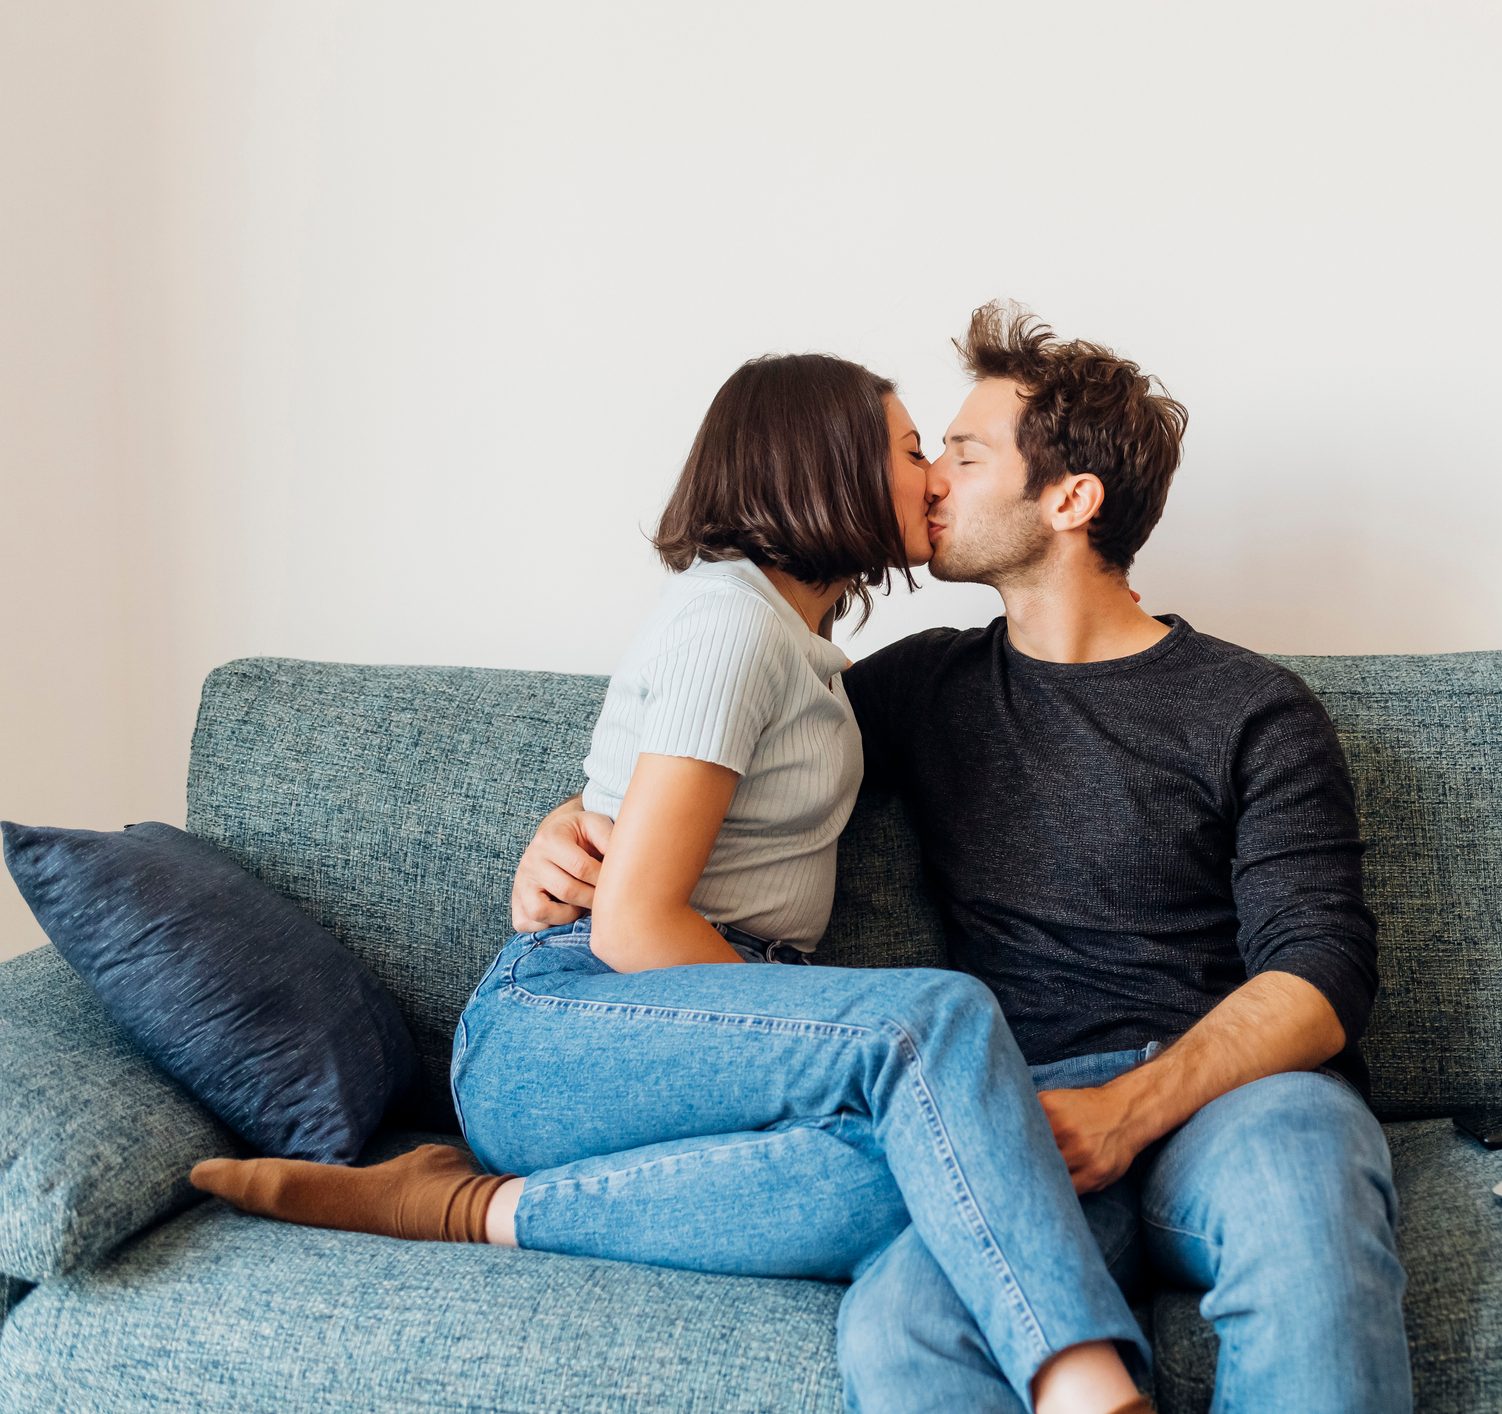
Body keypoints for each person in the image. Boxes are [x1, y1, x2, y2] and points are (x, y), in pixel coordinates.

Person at [188, 352, 1152, 1414]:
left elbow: (656, 795)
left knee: (949, 1164)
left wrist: (579, 813)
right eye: (913, 450)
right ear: (822, 463)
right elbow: (634, 922)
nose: (931, 478)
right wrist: (815, 1037)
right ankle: (1084, 1383)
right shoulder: (729, 621)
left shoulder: (800, 651)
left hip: (665, 1039)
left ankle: (467, 1206)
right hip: (567, 1024)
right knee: (940, 1021)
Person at [520, 305, 1415, 1411]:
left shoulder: (1252, 708)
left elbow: (1322, 973)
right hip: (1014, 1122)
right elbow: (722, 755)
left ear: (1070, 500)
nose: (927, 479)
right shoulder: (921, 688)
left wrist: (1133, 1107)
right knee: (901, 1328)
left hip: (1236, 1103)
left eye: (963, 453)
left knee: (1302, 1209)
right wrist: (572, 819)